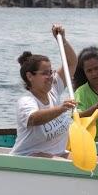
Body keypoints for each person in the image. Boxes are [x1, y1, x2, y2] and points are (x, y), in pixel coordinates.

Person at [10, 25, 78, 157]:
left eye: (51, 72)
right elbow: (34, 119)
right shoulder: (26, 101)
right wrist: (61, 108)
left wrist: (62, 40)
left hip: (57, 156)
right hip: (27, 158)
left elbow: (71, 63)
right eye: (45, 73)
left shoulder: (54, 89)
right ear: (30, 76)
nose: (50, 77)